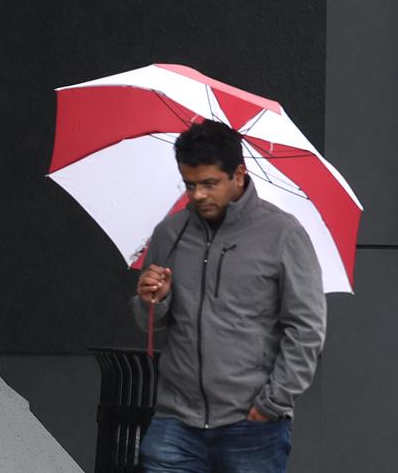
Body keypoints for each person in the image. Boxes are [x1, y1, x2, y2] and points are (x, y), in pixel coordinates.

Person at [131, 120, 326, 473]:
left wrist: (273, 402)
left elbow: (307, 327)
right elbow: (150, 321)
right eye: (189, 184)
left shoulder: (283, 234)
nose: (198, 195)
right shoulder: (170, 233)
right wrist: (151, 299)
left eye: (209, 183)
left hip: (251, 425)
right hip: (175, 420)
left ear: (238, 174)